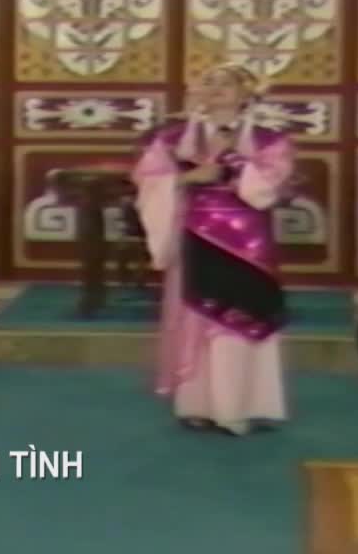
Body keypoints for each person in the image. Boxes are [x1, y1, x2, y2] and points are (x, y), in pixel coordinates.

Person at [131, 63, 295, 435]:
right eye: (208, 82)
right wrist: (191, 177)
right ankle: (199, 405)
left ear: (246, 93)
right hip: (197, 234)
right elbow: (147, 180)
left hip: (248, 241)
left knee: (246, 315)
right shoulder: (173, 138)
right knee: (199, 317)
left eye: (226, 83)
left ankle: (245, 406)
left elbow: (268, 186)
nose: (215, 88)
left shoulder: (269, 140)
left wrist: (233, 161)